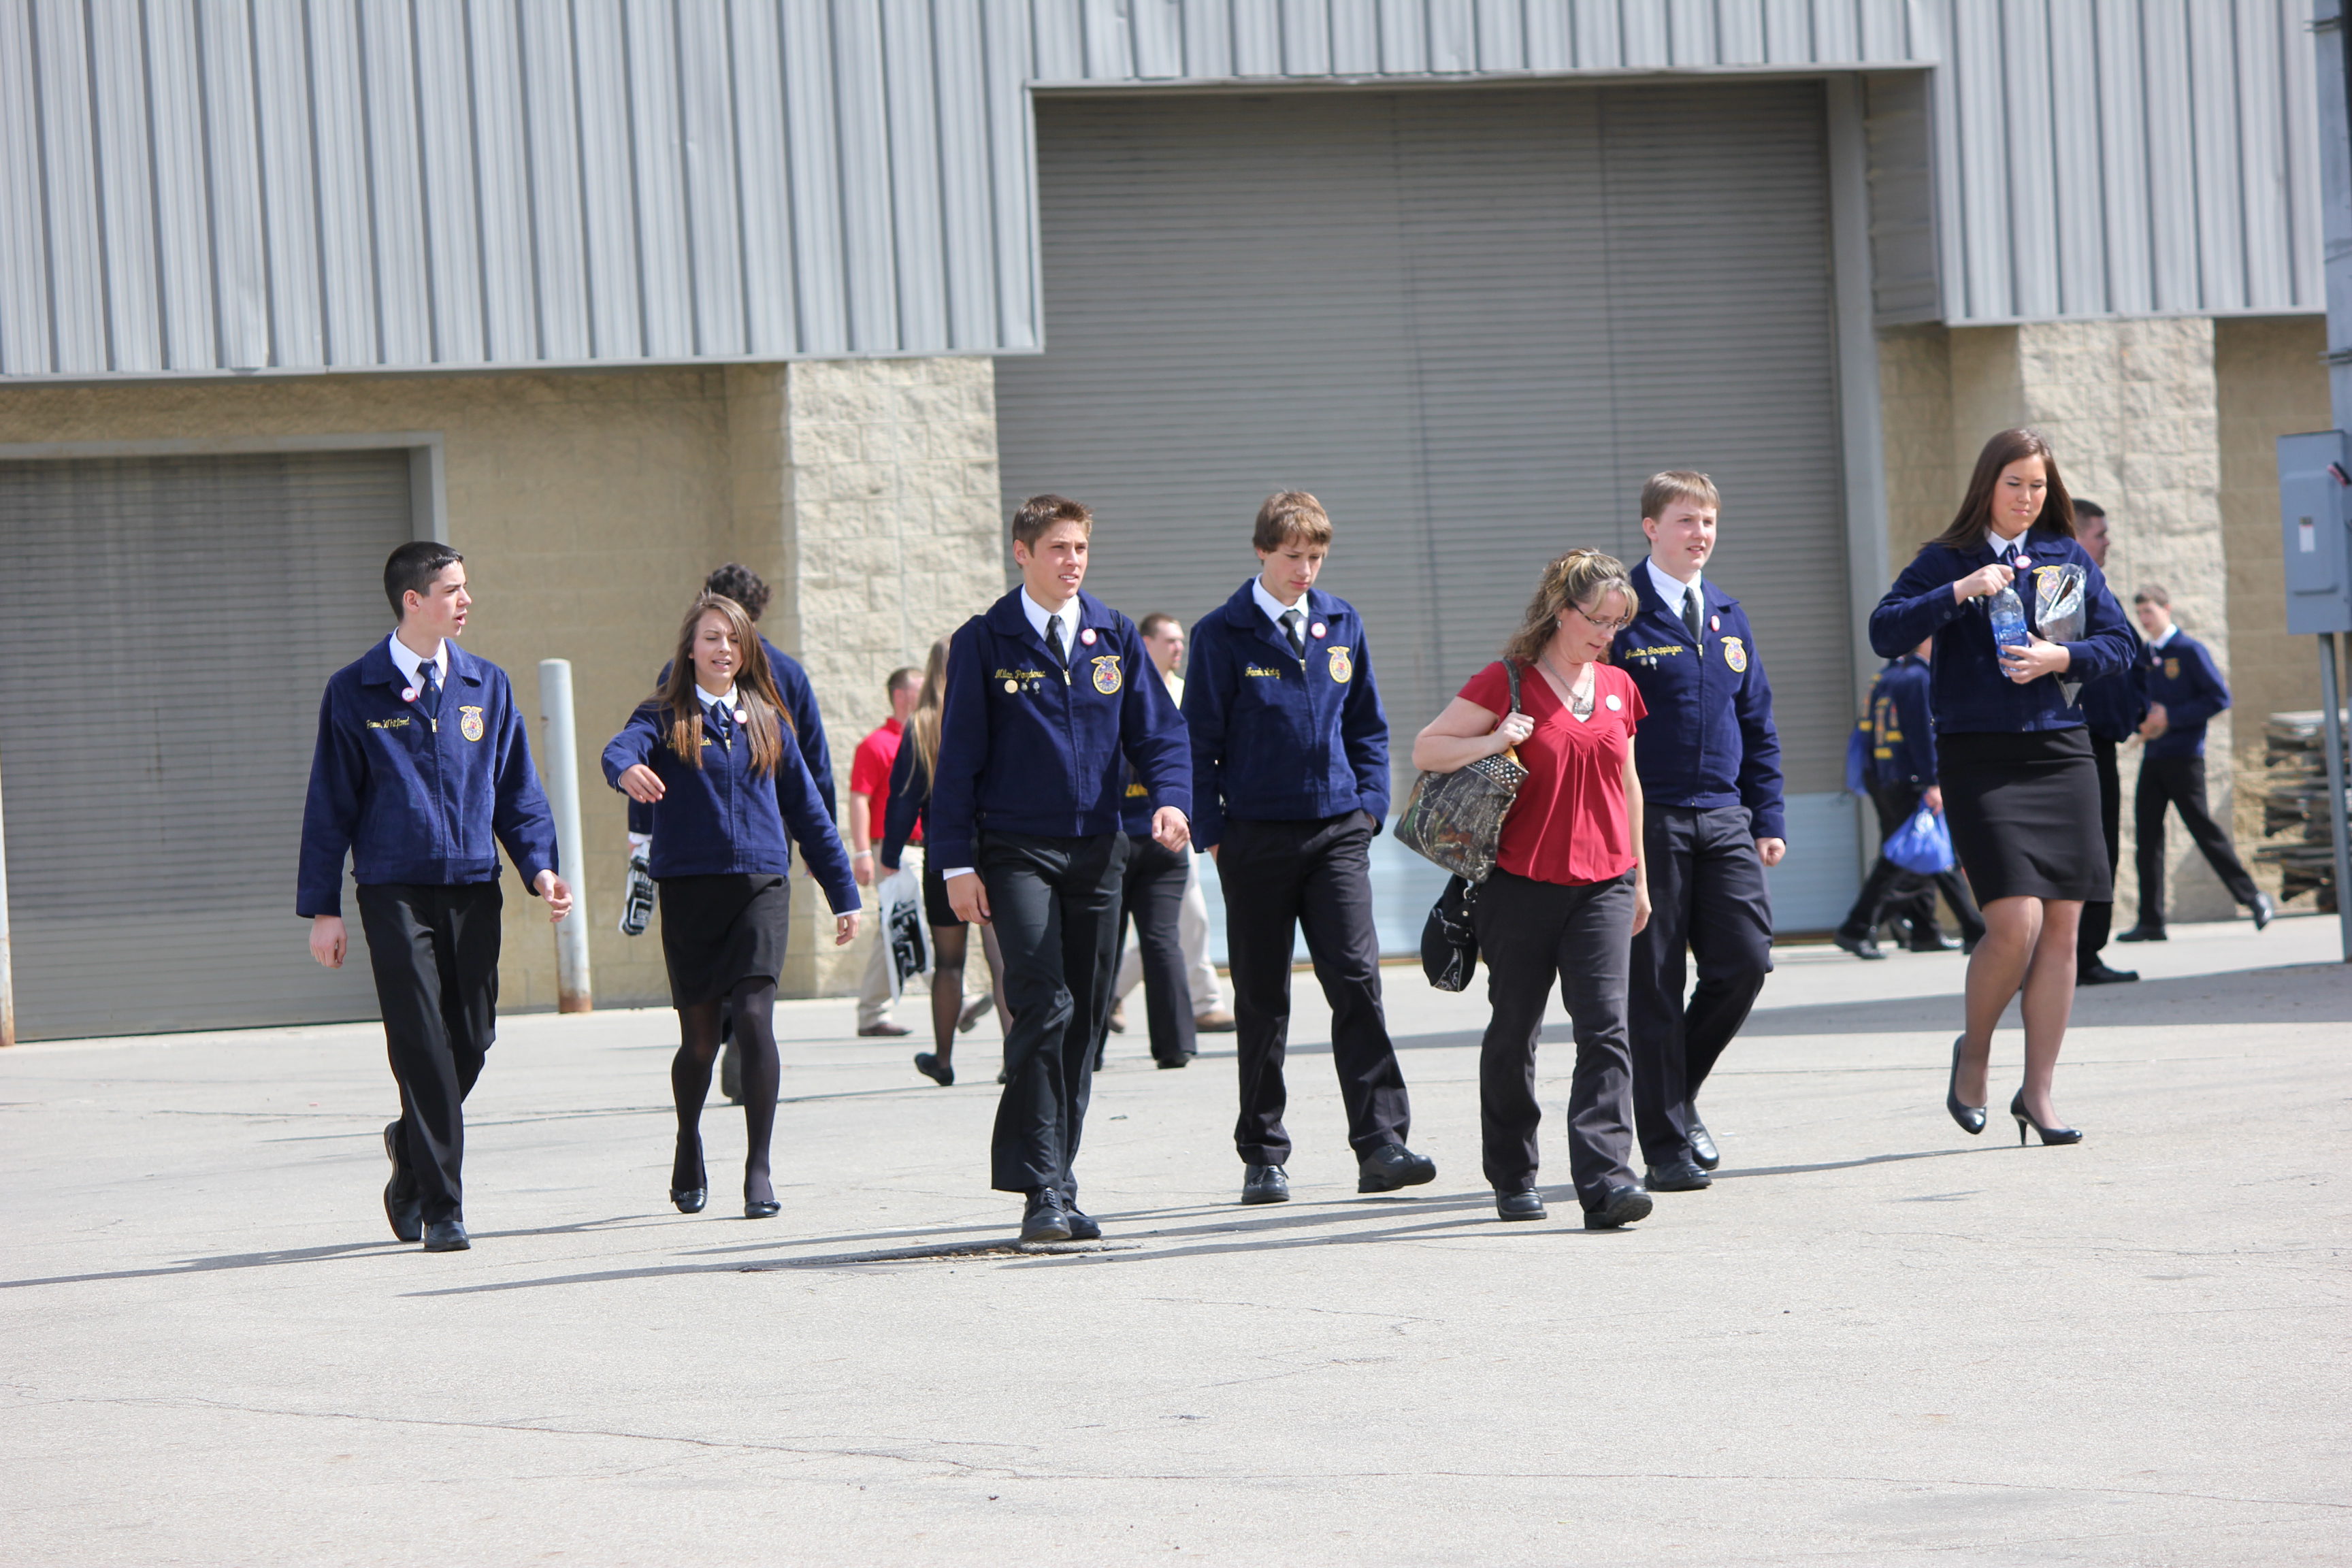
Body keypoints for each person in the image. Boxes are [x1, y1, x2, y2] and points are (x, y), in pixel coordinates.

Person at [299, 541, 574, 1254]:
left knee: (471, 1040)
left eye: (465, 587)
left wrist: (540, 868)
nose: (466, 600)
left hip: (473, 886)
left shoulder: (488, 685)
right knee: (420, 1040)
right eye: (453, 590)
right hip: (392, 889)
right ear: (413, 601)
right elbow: (329, 806)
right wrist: (324, 908)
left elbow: (517, 791)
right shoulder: (354, 690)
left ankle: (410, 1146)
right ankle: (443, 1208)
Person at [932, 494, 1192, 1243]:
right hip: (1016, 851)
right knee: (1043, 1003)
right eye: (1057, 548)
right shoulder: (985, 640)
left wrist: (1172, 799)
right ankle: (1040, 1185)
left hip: (1100, 848)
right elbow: (958, 762)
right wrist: (955, 863)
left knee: (1083, 1017)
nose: (1072, 561)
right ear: (1022, 553)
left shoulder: (1113, 633)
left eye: (1079, 547)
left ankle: (1058, 1179)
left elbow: (1159, 733)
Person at [1868, 427, 2137, 1147]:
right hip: (1978, 758)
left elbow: (2120, 644)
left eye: (2038, 486)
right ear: (1988, 485)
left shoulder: (2066, 557)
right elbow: (1884, 631)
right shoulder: (1946, 559)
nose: (2027, 497)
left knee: (2063, 929)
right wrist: (1958, 592)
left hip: (2061, 754)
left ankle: (2039, 1094)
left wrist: (2061, 657)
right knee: (2014, 923)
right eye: (2014, 483)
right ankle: (1976, 1052)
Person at [1183, 491, 1432, 1206]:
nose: (1305, 570)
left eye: (1316, 557)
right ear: (1263, 551)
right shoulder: (1221, 634)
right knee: (1263, 999)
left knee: (1356, 981)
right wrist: (1215, 835)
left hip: (1336, 834)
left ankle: (1381, 1143)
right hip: (1255, 838)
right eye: (1292, 556)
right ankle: (1263, 1155)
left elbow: (1368, 726)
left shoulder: (1341, 622)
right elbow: (1198, 743)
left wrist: (1368, 808)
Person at [1414, 550, 1655, 1230]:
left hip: (1605, 883)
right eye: (1598, 620)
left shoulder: (1618, 687)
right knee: (1515, 1029)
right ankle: (1514, 1173)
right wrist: (1495, 738)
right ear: (1560, 610)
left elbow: (1629, 785)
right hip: (1519, 886)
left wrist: (1640, 877)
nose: (1607, 634)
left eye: (1618, 623)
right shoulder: (1508, 680)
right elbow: (1428, 749)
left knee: (1607, 1029)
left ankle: (1607, 1182)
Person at [604, 594, 861, 1219]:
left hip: (760, 887)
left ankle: (759, 1168)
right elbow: (619, 749)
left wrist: (843, 894)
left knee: (752, 1018)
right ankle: (688, 1141)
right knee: (699, 1043)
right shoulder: (663, 715)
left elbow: (810, 815)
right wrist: (626, 771)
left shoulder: (769, 721)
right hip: (690, 889)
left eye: (735, 639)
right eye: (712, 637)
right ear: (690, 648)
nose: (724, 649)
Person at [1610, 471, 1784, 1193]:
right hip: (1646, 818)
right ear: (1651, 527)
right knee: (1654, 983)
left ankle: (1673, 1095)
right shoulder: (1619, 611)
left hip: (1723, 815)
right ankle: (1664, 1148)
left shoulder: (1728, 615)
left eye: (1708, 521)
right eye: (1686, 520)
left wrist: (1767, 817)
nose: (1700, 534)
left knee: (1745, 962)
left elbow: (1758, 723)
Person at [624, 564, 836, 1104]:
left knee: (752, 995)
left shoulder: (779, 680)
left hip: (758, 851)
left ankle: (741, 1044)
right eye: (712, 634)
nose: (723, 647)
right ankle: (730, 1038)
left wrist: (640, 834)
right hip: (713, 852)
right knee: (728, 998)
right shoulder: (686, 680)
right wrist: (818, 847)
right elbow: (649, 750)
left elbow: (805, 768)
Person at [880, 638, 1013, 1087]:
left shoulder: (922, 725)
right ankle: (1015, 1057)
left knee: (950, 963)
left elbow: (904, 798)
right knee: (1003, 960)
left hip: (946, 854)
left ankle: (942, 1059)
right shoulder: (995, 711)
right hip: (995, 848)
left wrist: (890, 854)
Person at [2116, 584, 2275, 942]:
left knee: (2203, 830)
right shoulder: (2146, 655)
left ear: (2167, 609)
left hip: (2185, 757)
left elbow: (2219, 698)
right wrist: (2142, 720)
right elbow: (2142, 701)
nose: (2144, 619)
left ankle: (2253, 897)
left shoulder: (2189, 651)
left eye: (2149, 612)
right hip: (2154, 757)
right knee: (2148, 838)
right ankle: (2151, 921)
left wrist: (2171, 716)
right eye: (2139, 613)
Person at [1109, 613, 1234, 1039]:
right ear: (1146, 644)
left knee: (1183, 922)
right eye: (1170, 641)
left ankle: (1200, 1003)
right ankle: (1193, 1001)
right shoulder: (1126, 687)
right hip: (1131, 825)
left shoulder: (1183, 689)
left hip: (1181, 819)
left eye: (1181, 641)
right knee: (1169, 926)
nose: (1179, 648)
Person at [1833, 640, 1986, 960]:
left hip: (1887, 775)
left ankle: (1925, 930)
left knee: (1919, 852)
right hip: (1909, 778)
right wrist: (1933, 781)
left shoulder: (1890, 676)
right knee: (1914, 855)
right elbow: (1921, 734)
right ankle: (1856, 927)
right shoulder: (1918, 678)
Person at [2070, 500, 2146, 984]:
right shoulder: (2064, 593)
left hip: (2101, 743)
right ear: (2076, 537)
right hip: (2079, 743)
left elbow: (2130, 654)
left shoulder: (2098, 592)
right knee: (2087, 851)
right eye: (2099, 534)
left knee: (2102, 849)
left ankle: (2086, 953)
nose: (2107, 542)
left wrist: (2140, 708)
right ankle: (2075, 956)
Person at [849, 666, 943, 1039]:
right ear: (901, 695)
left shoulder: (926, 737)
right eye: (921, 688)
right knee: (915, 920)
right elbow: (859, 799)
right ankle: (957, 994)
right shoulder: (876, 744)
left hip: (925, 848)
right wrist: (862, 854)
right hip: (894, 851)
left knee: (894, 927)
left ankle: (872, 1013)